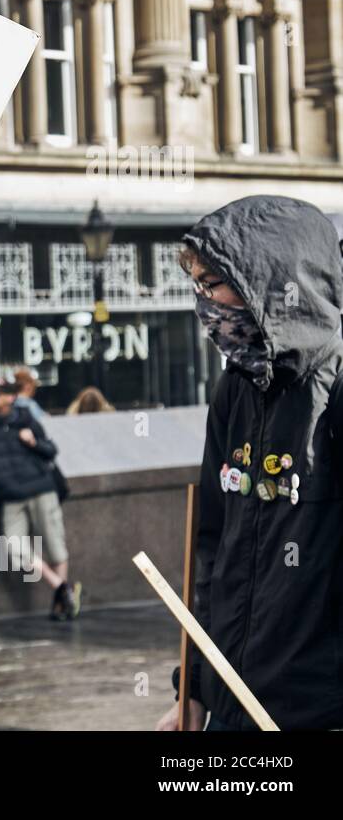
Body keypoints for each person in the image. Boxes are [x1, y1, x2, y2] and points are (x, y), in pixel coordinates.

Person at [158, 195, 343, 731]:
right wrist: (192, 687)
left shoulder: (335, 389)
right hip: (229, 710)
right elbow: (211, 548)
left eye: (213, 284)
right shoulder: (235, 387)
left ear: (271, 282)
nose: (204, 304)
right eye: (197, 286)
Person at [0, 375, 82, 620]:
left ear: (11, 396)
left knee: (55, 545)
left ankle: (62, 605)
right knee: (13, 548)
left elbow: (50, 450)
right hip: (10, 494)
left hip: (41, 488)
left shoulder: (26, 418)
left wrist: (32, 442)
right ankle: (61, 587)